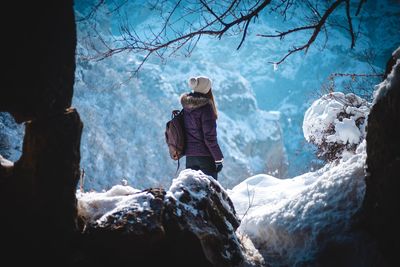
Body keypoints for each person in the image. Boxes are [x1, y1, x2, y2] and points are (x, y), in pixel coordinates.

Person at [180, 76, 224, 180]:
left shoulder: (186, 106)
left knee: (192, 192)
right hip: (205, 158)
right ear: (206, 89)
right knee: (209, 193)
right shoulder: (206, 107)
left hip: (190, 157)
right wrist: (218, 158)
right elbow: (209, 137)